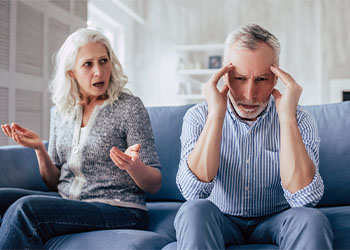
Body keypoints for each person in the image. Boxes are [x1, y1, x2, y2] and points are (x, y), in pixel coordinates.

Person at [0, 28, 161, 249]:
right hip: (68, 203)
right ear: (71, 72)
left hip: (121, 209)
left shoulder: (129, 107)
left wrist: (134, 166)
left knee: (26, 210)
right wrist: (39, 149)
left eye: (104, 61)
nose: (99, 71)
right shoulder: (61, 112)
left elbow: (154, 183)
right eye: (88, 64)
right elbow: (54, 182)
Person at [175, 24, 333, 249]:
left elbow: (305, 200)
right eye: (239, 78)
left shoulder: (300, 119)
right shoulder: (198, 116)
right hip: (221, 219)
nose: (249, 94)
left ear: (277, 77)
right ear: (224, 75)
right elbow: (193, 192)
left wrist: (287, 119)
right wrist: (216, 115)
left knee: (312, 219)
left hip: (277, 219)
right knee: (194, 211)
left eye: (261, 79)